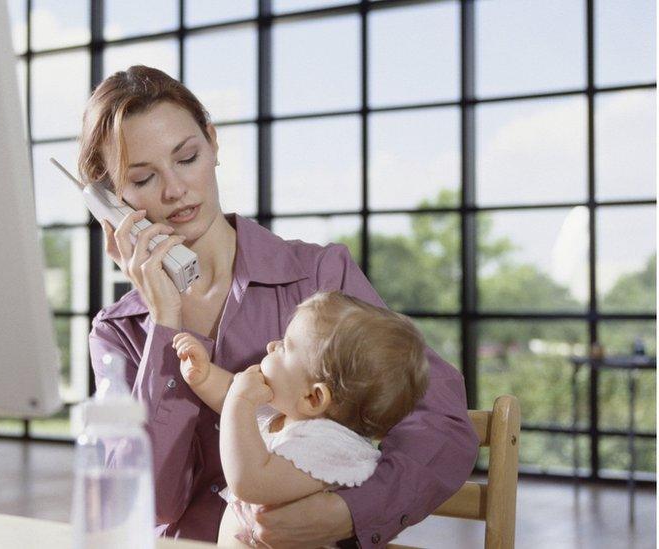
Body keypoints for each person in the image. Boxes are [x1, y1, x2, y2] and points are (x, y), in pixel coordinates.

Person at [82, 65, 478, 547]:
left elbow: (440, 419)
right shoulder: (118, 332)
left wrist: (348, 511)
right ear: (112, 200)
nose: (174, 190)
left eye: (187, 158)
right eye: (143, 179)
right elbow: (143, 505)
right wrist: (164, 323)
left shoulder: (319, 276)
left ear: (211, 141)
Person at [172, 291, 430, 547]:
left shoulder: (330, 445)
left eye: (285, 347)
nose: (271, 345)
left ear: (313, 398)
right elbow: (230, 395)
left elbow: (248, 482)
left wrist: (240, 402)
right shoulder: (288, 415)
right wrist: (204, 377)